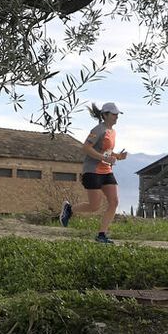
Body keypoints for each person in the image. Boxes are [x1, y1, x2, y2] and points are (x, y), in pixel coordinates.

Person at [60, 102, 128, 244]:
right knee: (94, 206)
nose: (116, 117)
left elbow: (105, 151)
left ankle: (102, 235)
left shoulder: (112, 132)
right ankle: (69, 209)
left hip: (107, 170)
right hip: (93, 171)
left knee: (114, 202)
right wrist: (104, 158)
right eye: (114, 114)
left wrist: (117, 156)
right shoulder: (98, 129)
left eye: (117, 115)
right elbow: (86, 147)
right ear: (105, 115)